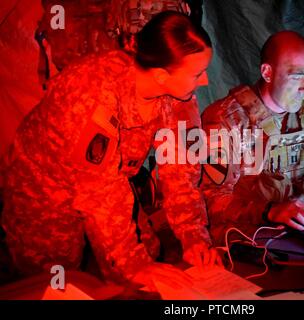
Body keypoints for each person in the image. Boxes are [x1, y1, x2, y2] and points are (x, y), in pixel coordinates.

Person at [1, 11, 220, 291]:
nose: (204, 82)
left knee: (147, 262)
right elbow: (100, 192)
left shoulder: (180, 97)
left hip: (109, 183)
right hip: (44, 189)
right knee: (58, 282)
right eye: (197, 74)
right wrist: (132, 264)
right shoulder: (93, 89)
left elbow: (182, 172)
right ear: (162, 75)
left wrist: (195, 239)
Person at [200, 31, 304, 245]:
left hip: (297, 234)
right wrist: (270, 211)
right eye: (296, 76)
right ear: (267, 73)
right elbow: (212, 201)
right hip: (243, 239)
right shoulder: (225, 119)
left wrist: (301, 206)